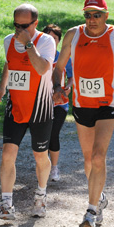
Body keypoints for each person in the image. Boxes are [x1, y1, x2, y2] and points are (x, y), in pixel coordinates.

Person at [52, 0, 114, 227]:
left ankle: (91, 211)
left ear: (106, 15)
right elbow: (59, 67)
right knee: (89, 158)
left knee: (99, 156)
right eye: (88, 15)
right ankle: (99, 197)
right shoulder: (73, 34)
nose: (92, 19)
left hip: (108, 103)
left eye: (97, 14)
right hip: (82, 104)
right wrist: (58, 88)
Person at [0, 3, 56, 219]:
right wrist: (2, 85)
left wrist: (28, 44)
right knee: (8, 153)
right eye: (16, 25)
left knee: (40, 155)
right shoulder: (9, 40)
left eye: (24, 26)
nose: (19, 30)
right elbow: (10, 62)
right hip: (15, 106)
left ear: (35, 23)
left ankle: (41, 196)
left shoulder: (46, 41)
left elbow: (42, 68)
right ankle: (6, 204)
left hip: (40, 108)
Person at [42, 24, 73, 182]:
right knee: (42, 136)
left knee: (53, 134)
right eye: (48, 37)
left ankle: (54, 168)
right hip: (41, 103)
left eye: (55, 38)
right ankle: (43, 167)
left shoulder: (64, 58)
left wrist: (68, 87)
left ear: (59, 41)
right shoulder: (38, 56)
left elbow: (72, 76)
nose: (51, 41)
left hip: (60, 103)